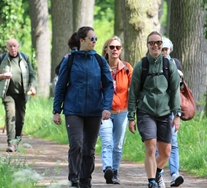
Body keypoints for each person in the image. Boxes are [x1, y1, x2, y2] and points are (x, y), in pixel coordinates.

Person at [52, 26, 114, 188]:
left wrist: (106, 107)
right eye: (91, 39)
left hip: (94, 111)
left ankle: (86, 180)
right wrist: (56, 110)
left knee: (89, 150)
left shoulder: (100, 61)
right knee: (77, 145)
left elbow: (108, 85)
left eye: (95, 39)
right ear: (82, 40)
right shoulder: (70, 60)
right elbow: (61, 86)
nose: (94, 42)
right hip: (73, 110)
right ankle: (74, 178)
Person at [127, 31, 181, 188]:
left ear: (162, 45)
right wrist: (131, 117)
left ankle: (157, 172)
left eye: (158, 42)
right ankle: (151, 182)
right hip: (146, 111)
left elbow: (174, 91)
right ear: (147, 45)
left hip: (165, 113)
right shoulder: (141, 66)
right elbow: (133, 93)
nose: (155, 45)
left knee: (165, 153)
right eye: (152, 43)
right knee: (151, 147)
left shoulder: (168, 65)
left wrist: (177, 114)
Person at [99, 36, 133, 184]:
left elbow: (134, 89)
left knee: (118, 145)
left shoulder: (126, 68)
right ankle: (108, 169)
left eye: (117, 47)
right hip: (104, 112)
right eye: (111, 47)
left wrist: (133, 112)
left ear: (120, 50)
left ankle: (115, 172)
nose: (114, 50)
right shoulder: (100, 67)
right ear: (106, 49)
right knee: (107, 142)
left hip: (122, 112)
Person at [0, 39, 36, 152]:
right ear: (7, 47)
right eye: (10, 46)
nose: (13, 48)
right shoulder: (2, 58)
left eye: (15, 46)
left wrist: (32, 86)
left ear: (18, 46)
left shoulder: (25, 58)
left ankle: (17, 140)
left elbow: (32, 75)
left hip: (22, 93)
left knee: (20, 119)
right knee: (10, 115)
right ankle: (11, 143)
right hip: (8, 93)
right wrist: (3, 75)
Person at [161, 38, 184, 187]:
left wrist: (180, 76)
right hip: (157, 109)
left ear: (170, 50)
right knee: (159, 144)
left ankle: (175, 174)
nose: (164, 52)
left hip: (172, 108)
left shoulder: (175, 63)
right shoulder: (150, 63)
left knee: (173, 143)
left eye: (166, 49)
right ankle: (158, 174)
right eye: (162, 49)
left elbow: (179, 89)